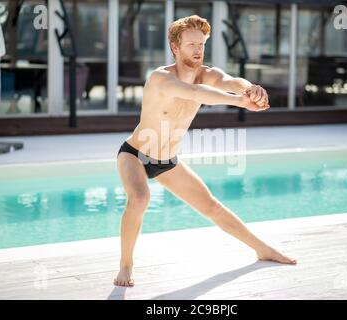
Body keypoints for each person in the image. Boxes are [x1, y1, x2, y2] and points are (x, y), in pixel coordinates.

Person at [114, 15, 296, 287]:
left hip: (167, 160)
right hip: (135, 154)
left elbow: (231, 80)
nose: (198, 50)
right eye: (191, 45)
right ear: (175, 47)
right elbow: (196, 93)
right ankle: (125, 266)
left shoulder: (207, 73)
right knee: (140, 198)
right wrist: (241, 103)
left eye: (201, 44)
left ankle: (262, 249)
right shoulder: (161, 78)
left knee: (211, 205)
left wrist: (250, 89)